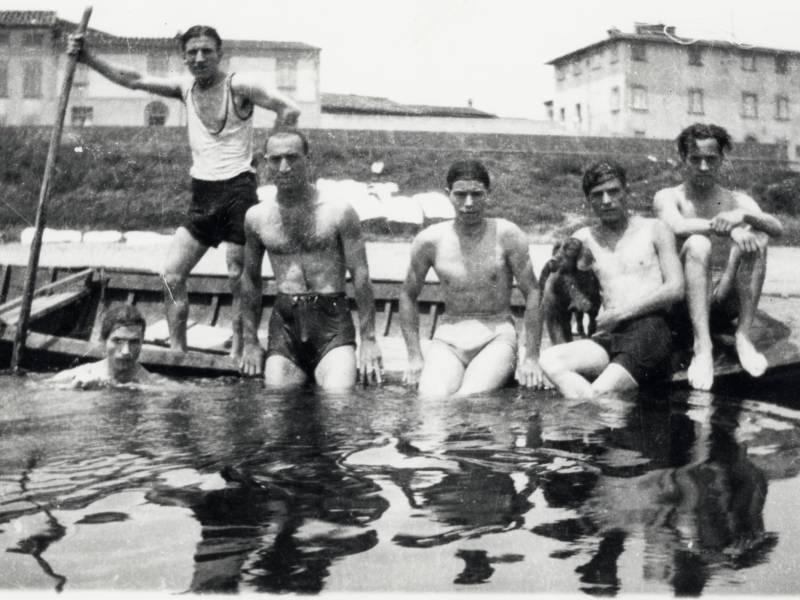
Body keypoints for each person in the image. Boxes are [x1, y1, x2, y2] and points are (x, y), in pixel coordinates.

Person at [68, 26, 301, 359]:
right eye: (192, 52)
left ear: (220, 54)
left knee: (240, 277)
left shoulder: (241, 85)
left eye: (207, 51)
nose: (199, 58)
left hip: (239, 192)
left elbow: (289, 109)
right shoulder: (184, 87)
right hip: (203, 196)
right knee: (170, 275)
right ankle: (178, 350)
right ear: (184, 57)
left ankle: (243, 348)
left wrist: (270, 158)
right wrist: (87, 56)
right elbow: (131, 78)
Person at [239, 128, 383, 389]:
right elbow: (250, 280)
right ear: (266, 163)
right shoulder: (257, 217)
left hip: (332, 321)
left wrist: (369, 339)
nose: (284, 167)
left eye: (292, 157)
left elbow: (361, 276)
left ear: (309, 159)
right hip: (285, 325)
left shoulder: (338, 211)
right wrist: (250, 341)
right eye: (275, 159)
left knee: (338, 403)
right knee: (278, 410)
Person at [399, 159, 545, 398]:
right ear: (448, 194)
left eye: (477, 194)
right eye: (461, 194)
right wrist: (415, 356)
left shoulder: (507, 234)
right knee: (430, 400)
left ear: (488, 193)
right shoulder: (430, 240)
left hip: (496, 335)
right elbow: (407, 294)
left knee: (468, 399)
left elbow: (533, 292)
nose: (469, 203)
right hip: (448, 337)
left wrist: (531, 358)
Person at [538, 161, 684, 400]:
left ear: (626, 192)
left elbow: (676, 288)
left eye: (613, 191)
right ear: (589, 201)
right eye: (598, 195)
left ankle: (591, 425)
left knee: (601, 392)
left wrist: (620, 314)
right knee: (551, 360)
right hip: (608, 335)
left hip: (651, 328)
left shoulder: (655, 229)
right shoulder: (584, 238)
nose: (606, 200)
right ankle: (599, 426)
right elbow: (555, 283)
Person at [654, 123, 784, 391]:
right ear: (683, 159)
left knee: (757, 239)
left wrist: (745, 217)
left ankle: (743, 336)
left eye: (711, 159)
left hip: (723, 300)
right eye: (695, 159)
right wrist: (731, 230)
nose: (703, 167)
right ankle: (702, 347)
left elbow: (777, 229)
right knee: (698, 243)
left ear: (722, 159)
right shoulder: (669, 196)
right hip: (681, 304)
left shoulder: (735, 200)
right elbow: (678, 226)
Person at [48, 305, 161, 388]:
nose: (126, 351)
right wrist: (72, 389)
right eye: (118, 341)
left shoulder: (151, 385)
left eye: (134, 342)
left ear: (142, 343)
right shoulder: (78, 375)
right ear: (103, 341)